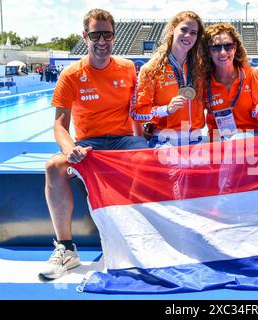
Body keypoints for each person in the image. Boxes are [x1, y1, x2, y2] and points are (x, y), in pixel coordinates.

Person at [39, 8, 147, 280]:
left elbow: (137, 114)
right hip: (90, 145)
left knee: (152, 157)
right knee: (53, 166)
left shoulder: (128, 69)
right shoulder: (71, 75)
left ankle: (146, 239)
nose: (102, 41)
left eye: (107, 35)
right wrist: (69, 149)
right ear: (85, 36)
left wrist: (143, 139)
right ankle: (66, 248)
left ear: (114, 36)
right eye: (95, 35)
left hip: (123, 142)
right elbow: (60, 125)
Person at [132, 11, 206, 147]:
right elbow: (137, 112)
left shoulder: (199, 68)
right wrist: (166, 109)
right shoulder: (151, 69)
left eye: (193, 32)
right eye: (184, 29)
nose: (188, 35)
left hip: (195, 139)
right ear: (172, 30)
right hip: (164, 141)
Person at [202, 23, 258, 141]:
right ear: (209, 52)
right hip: (220, 141)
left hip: (253, 138)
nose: (223, 52)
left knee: (237, 140)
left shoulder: (251, 75)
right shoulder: (204, 82)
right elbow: (196, 120)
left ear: (235, 48)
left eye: (228, 46)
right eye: (216, 47)